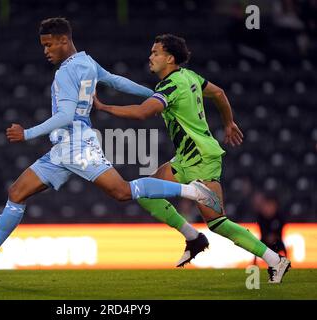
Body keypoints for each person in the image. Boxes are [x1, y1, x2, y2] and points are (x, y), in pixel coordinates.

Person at [0, 18, 221, 270]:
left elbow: (66, 115)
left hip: (77, 146)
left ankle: (191, 191)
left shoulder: (65, 72)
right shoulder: (87, 62)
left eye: (48, 44)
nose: (45, 51)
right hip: (62, 149)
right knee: (17, 192)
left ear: (64, 41)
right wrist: (155, 95)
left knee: (123, 192)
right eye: (43, 45)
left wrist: (27, 133)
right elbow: (116, 81)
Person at [93, 34, 291, 283]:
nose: (150, 57)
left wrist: (104, 108)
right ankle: (193, 237)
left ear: (170, 58)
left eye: (155, 53)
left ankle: (275, 260)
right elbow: (218, 93)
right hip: (186, 158)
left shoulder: (172, 85)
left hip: (201, 159)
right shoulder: (191, 77)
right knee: (142, 192)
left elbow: (143, 113)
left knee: (218, 222)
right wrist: (228, 122)